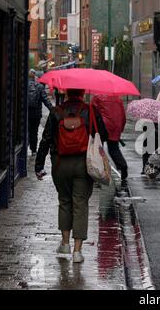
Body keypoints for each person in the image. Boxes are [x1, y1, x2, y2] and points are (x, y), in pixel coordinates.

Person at [35, 89, 108, 263]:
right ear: (82, 93)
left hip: (60, 163)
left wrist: (38, 165)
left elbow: (45, 139)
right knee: (80, 204)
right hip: (84, 164)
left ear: (66, 93)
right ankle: (77, 251)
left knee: (65, 201)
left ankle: (65, 243)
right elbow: (103, 135)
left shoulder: (56, 112)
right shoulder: (90, 110)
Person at [92, 95, 129, 190]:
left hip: (102, 125)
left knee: (98, 149)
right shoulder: (118, 98)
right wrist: (121, 127)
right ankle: (122, 165)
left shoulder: (97, 97)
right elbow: (122, 115)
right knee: (114, 149)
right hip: (116, 125)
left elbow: (92, 113)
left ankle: (99, 172)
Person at [28, 69, 54, 155]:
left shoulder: (24, 85)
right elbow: (45, 100)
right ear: (35, 77)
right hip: (36, 114)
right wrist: (53, 110)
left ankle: (25, 146)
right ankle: (34, 150)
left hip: (26, 113)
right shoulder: (39, 86)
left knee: (26, 130)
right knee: (34, 131)